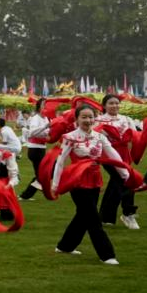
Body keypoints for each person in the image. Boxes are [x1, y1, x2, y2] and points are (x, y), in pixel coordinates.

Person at [50, 103, 126, 265]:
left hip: (95, 181)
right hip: (77, 182)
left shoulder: (99, 136)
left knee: (83, 215)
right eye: (83, 117)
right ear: (77, 119)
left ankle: (65, 246)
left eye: (90, 117)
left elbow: (112, 154)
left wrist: (125, 173)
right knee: (93, 219)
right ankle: (107, 254)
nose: (88, 120)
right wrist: (55, 183)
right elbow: (61, 161)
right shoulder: (70, 137)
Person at [96, 94, 142, 229]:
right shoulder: (98, 121)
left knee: (116, 184)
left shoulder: (126, 119)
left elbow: (136, 136)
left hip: (124, 154)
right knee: (127, 180)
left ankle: (105, 217)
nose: (115, 106)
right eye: (111, 103)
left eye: (116, 103)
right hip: (108, 155)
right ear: (104, 105)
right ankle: (128, 213)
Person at [19, 98, 50, 201]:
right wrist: (45, 127)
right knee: (41, 175)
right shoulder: (36, 118)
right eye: (43, 105)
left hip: (42, 148)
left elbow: (47, 133)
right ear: (39, 106)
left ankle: (26, 195)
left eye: (47, 105)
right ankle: (26, 195)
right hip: (34, 149)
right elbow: (32, 132)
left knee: (40, 175)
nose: (45, 107)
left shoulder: (46, 118)